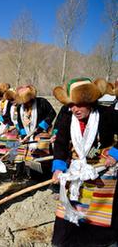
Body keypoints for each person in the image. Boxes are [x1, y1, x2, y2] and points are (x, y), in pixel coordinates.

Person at [51, 77, 118, 247]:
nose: (74, 109)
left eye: (79, 104)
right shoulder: (67, 117)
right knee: (69, 211)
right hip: (75, 171)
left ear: (90, 101)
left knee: (98, 215)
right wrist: (58, 168)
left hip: (102, 171)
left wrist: (115, 154)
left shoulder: (108, 114)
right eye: (71, 104)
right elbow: (60, 143)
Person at [13, 85, 56, 179]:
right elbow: (20, 123)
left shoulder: (42, 102)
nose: (25, 104)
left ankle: (46, 176)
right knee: (29, 156)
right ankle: (32, 175)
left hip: (41, 135)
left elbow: (52, 113)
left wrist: (41, 127)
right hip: (29, 137)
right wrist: (24, 134)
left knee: (43, 157)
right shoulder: (20, 106)